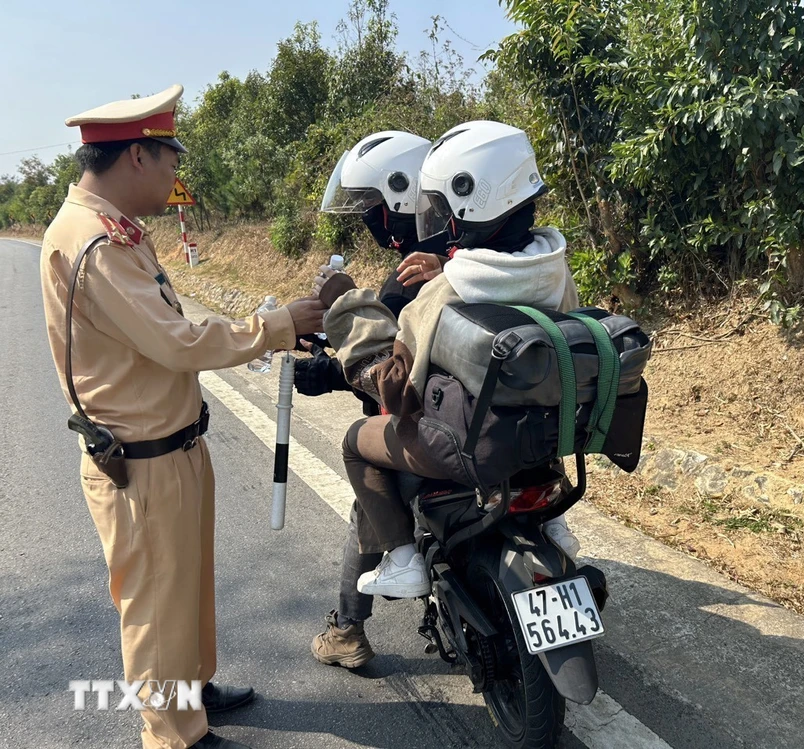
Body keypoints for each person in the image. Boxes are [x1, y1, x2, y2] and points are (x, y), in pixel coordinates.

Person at [39, 85, 327, 749]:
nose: (177, 174)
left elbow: (167, 329)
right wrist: (275, 326)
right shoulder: (96, 242)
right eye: (170, 158)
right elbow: (177, 342)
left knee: (184, 588)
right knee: (156, 604)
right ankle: (173, 734)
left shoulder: (112, 229)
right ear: (137, 156)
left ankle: (191, 689)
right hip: (141, 460)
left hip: (170, 448)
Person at [317, 120, 581, 601]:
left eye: (439, 203)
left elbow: (398, 388)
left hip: (470, 441)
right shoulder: (554, 266)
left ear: (469, 197)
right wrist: (452, 264)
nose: (435, 216)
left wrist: (346, 306)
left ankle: (399, 562)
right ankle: (556, 526)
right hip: (546, 432)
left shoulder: (439, 290)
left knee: (357, 442)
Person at [292, 131, 446, 669]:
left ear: (402, 198)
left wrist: (333, 372)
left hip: (430, 430)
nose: (370, 220)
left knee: (368, 495)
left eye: (374, 207)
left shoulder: (412, 279)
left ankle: (347, 629)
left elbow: (389, 373)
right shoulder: (487, 254)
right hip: (510, 427)